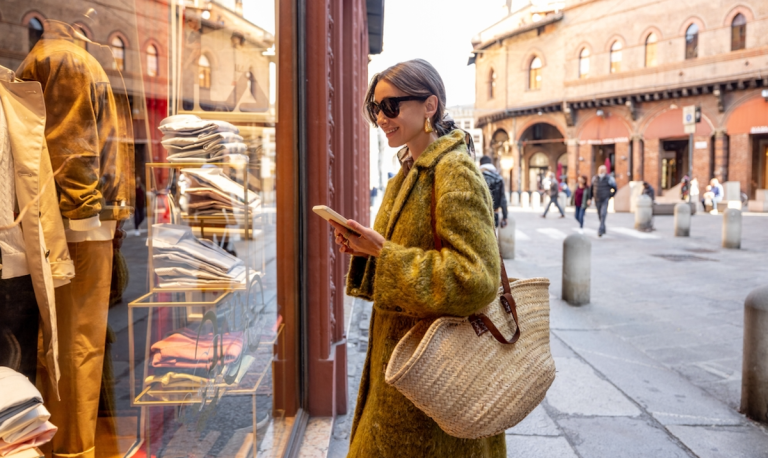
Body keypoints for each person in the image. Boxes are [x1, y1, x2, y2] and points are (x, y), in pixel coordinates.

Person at [329, 59, 505, 457]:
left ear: (429, 106)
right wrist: (365, 250)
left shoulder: (453, 170)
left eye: (391, 107)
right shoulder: (407, 172)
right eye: (375, 109)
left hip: (438, 380)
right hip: (403, 372)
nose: (381, 118)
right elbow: (401, 255)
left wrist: (384, 253)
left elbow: (476, 278)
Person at [479, 156, 508, 228]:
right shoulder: (499, 178)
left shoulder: (478, 177)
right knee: (494, 236)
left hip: (479, 215)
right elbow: (503, 199)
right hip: (495, 214)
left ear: (480, 164)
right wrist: (505, 216)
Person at [591, 165, 616, 237]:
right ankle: (603, 227)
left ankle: (600, 230)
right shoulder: (595, 178)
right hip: (597, 198)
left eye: (603, 170)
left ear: (605, 171)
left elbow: (614, 188)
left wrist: (610, 195)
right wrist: (590, 198)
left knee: (603, 214)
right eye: (600, 170)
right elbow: (591, 189)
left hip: (605, 198)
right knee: (599, 214)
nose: (601, 171)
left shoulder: (609, 178)